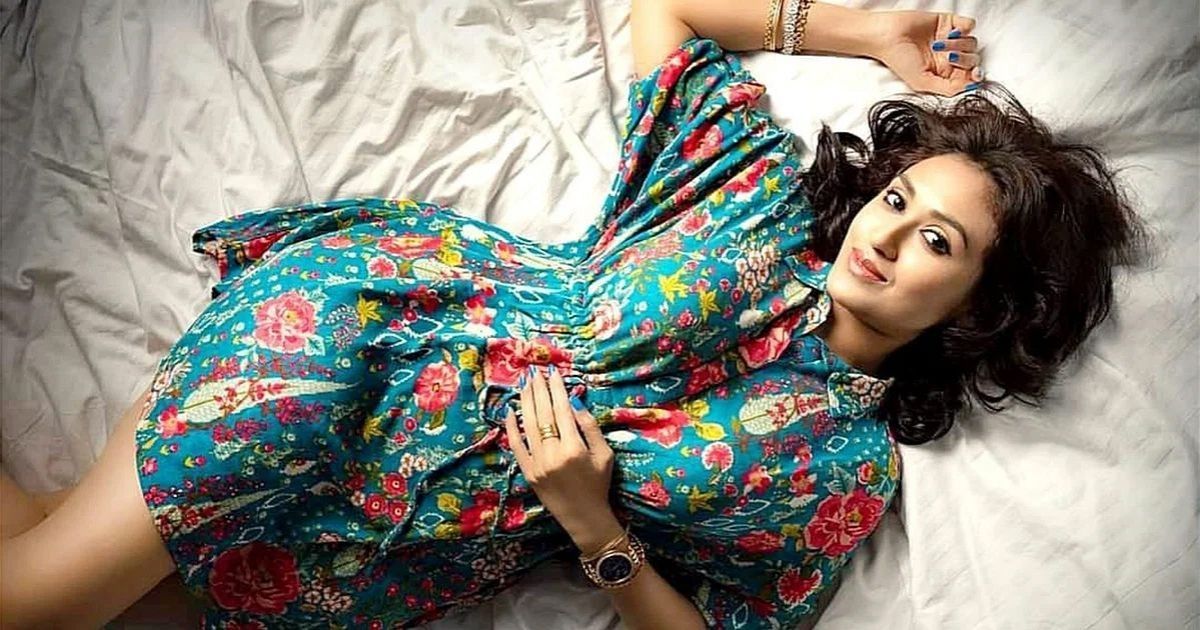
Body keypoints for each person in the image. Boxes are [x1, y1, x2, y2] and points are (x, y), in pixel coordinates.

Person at [0, 1, 1148, 628]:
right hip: (355, 349)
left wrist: (598, 533)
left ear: (982, 307)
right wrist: (862, 32)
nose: (887, 236)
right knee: (33, 605)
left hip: (389, 548)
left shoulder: (841, 471)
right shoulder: (752, 197)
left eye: (938, 241)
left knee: (46, 550)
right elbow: (669, 12)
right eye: (898, 200)